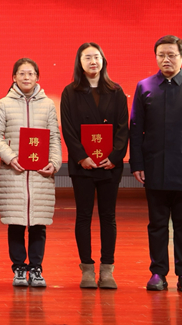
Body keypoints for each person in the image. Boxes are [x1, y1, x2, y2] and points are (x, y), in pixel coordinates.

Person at [130, 35, 182, 292]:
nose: (166, 59)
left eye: (171, 55)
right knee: (156, 224)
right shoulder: (144, 86)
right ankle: (158, 273)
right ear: (156, 57)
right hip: (154, 167)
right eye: (161, 55)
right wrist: (137, 163)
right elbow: (136, 130)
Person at [60, 42, 129, 289]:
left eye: (96, 57)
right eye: (87, 57)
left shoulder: (116, 91)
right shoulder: (70, 92)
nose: (93, 61)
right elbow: (68, 128)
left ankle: (107, 269)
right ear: (79, 63)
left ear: (103, 61)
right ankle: (87, 269)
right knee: (84, 215)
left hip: (110, 165)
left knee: (108, 216)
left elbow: (123, 127)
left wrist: (115, 156)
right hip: (83, 166)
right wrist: (81, 156)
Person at [0, 58, 61, 288]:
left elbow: (54, 137)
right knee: (16, 223)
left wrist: (54, 163)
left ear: (37, 77)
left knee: (38, 224)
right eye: (21, 73)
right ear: (14, 77)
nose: (26, 77)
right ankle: (19, 268)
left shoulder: (48, 105)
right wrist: (10, 157)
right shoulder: (4, 104)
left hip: (41, 175)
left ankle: (36, 268)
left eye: (30, 73)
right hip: (14, 174)